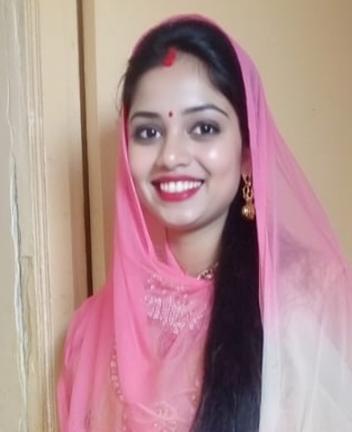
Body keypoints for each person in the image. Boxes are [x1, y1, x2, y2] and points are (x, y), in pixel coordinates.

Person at [57, 15, 352, 432]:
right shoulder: (91, 331)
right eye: (148, 132)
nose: (171, 155)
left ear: (248, 150)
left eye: (204, 128)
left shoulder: (303, 300)